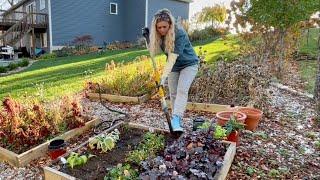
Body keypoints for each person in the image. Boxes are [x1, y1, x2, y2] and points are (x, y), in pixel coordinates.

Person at [144, 8, 199, 132]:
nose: (162, 30)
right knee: (173, 94)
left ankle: (176, 119)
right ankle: (176, 124)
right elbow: (153, 51)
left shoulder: (179, 33)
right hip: (174, 66)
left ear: (170, 24)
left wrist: (163, 78)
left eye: (164, 27)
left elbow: (172, 58)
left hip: (189, 64)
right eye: (159, 28)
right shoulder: (159, 36)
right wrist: (147, 39)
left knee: (182, 90)